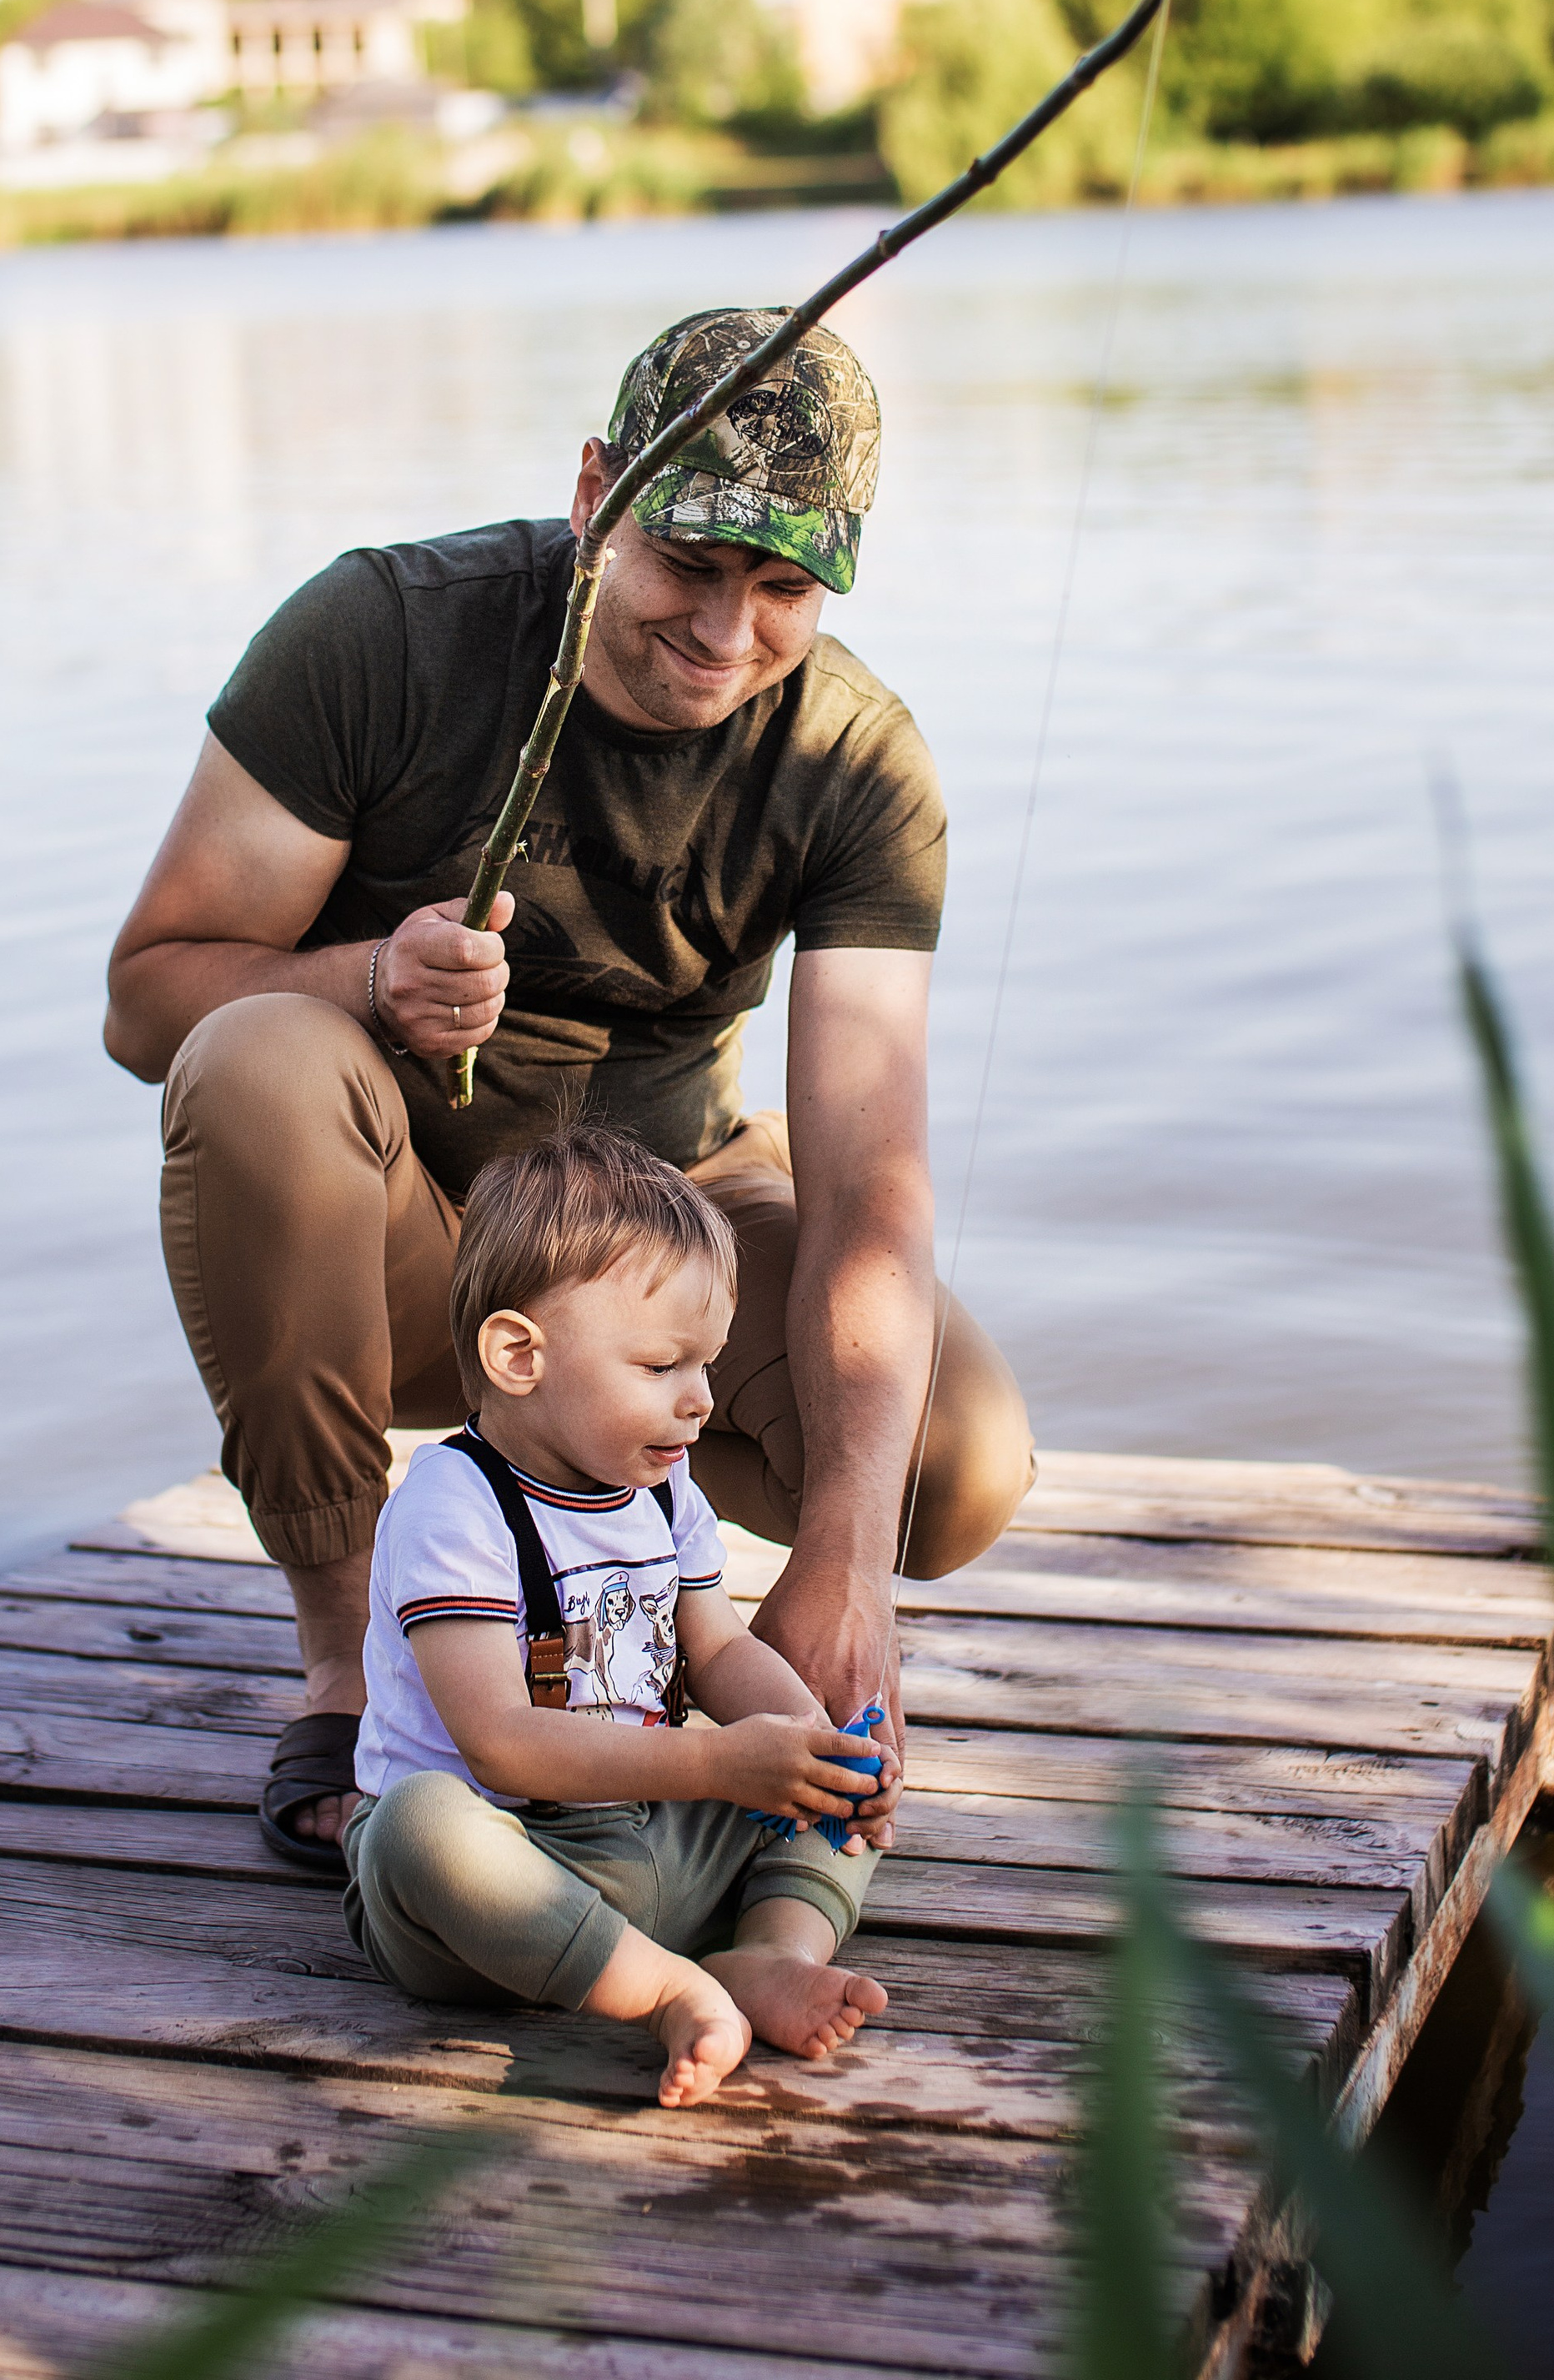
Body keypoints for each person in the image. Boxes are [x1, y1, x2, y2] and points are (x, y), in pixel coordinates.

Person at [103, 305, 1034, 1872]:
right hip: (401, 1248)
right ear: (599, 491)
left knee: (954, 1470)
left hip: (670, 1230)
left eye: (786, 587)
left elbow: (873, 1181)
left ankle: (662, 1638)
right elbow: (149, 995)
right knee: (256, 1060)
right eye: (689, 566)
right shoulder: (383, 636)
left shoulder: (860, 761)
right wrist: (368, 983)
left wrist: (847, 1562)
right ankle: (348, 1664)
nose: (728, 633)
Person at [346, 1118, 892, 2110]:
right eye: (659, 1367)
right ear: (520, 1356)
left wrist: (810, 1753)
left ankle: (767, 1954)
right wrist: (722, 1764)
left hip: (647, 1828)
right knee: (414, 1827)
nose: (701, 1403)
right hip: (507, 1879)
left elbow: (717, 1644)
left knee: (853, 1770)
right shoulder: (453, 1506)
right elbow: (503, 1744)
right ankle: (666, 1987)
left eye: (708, 1364)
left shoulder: (661, 1489)